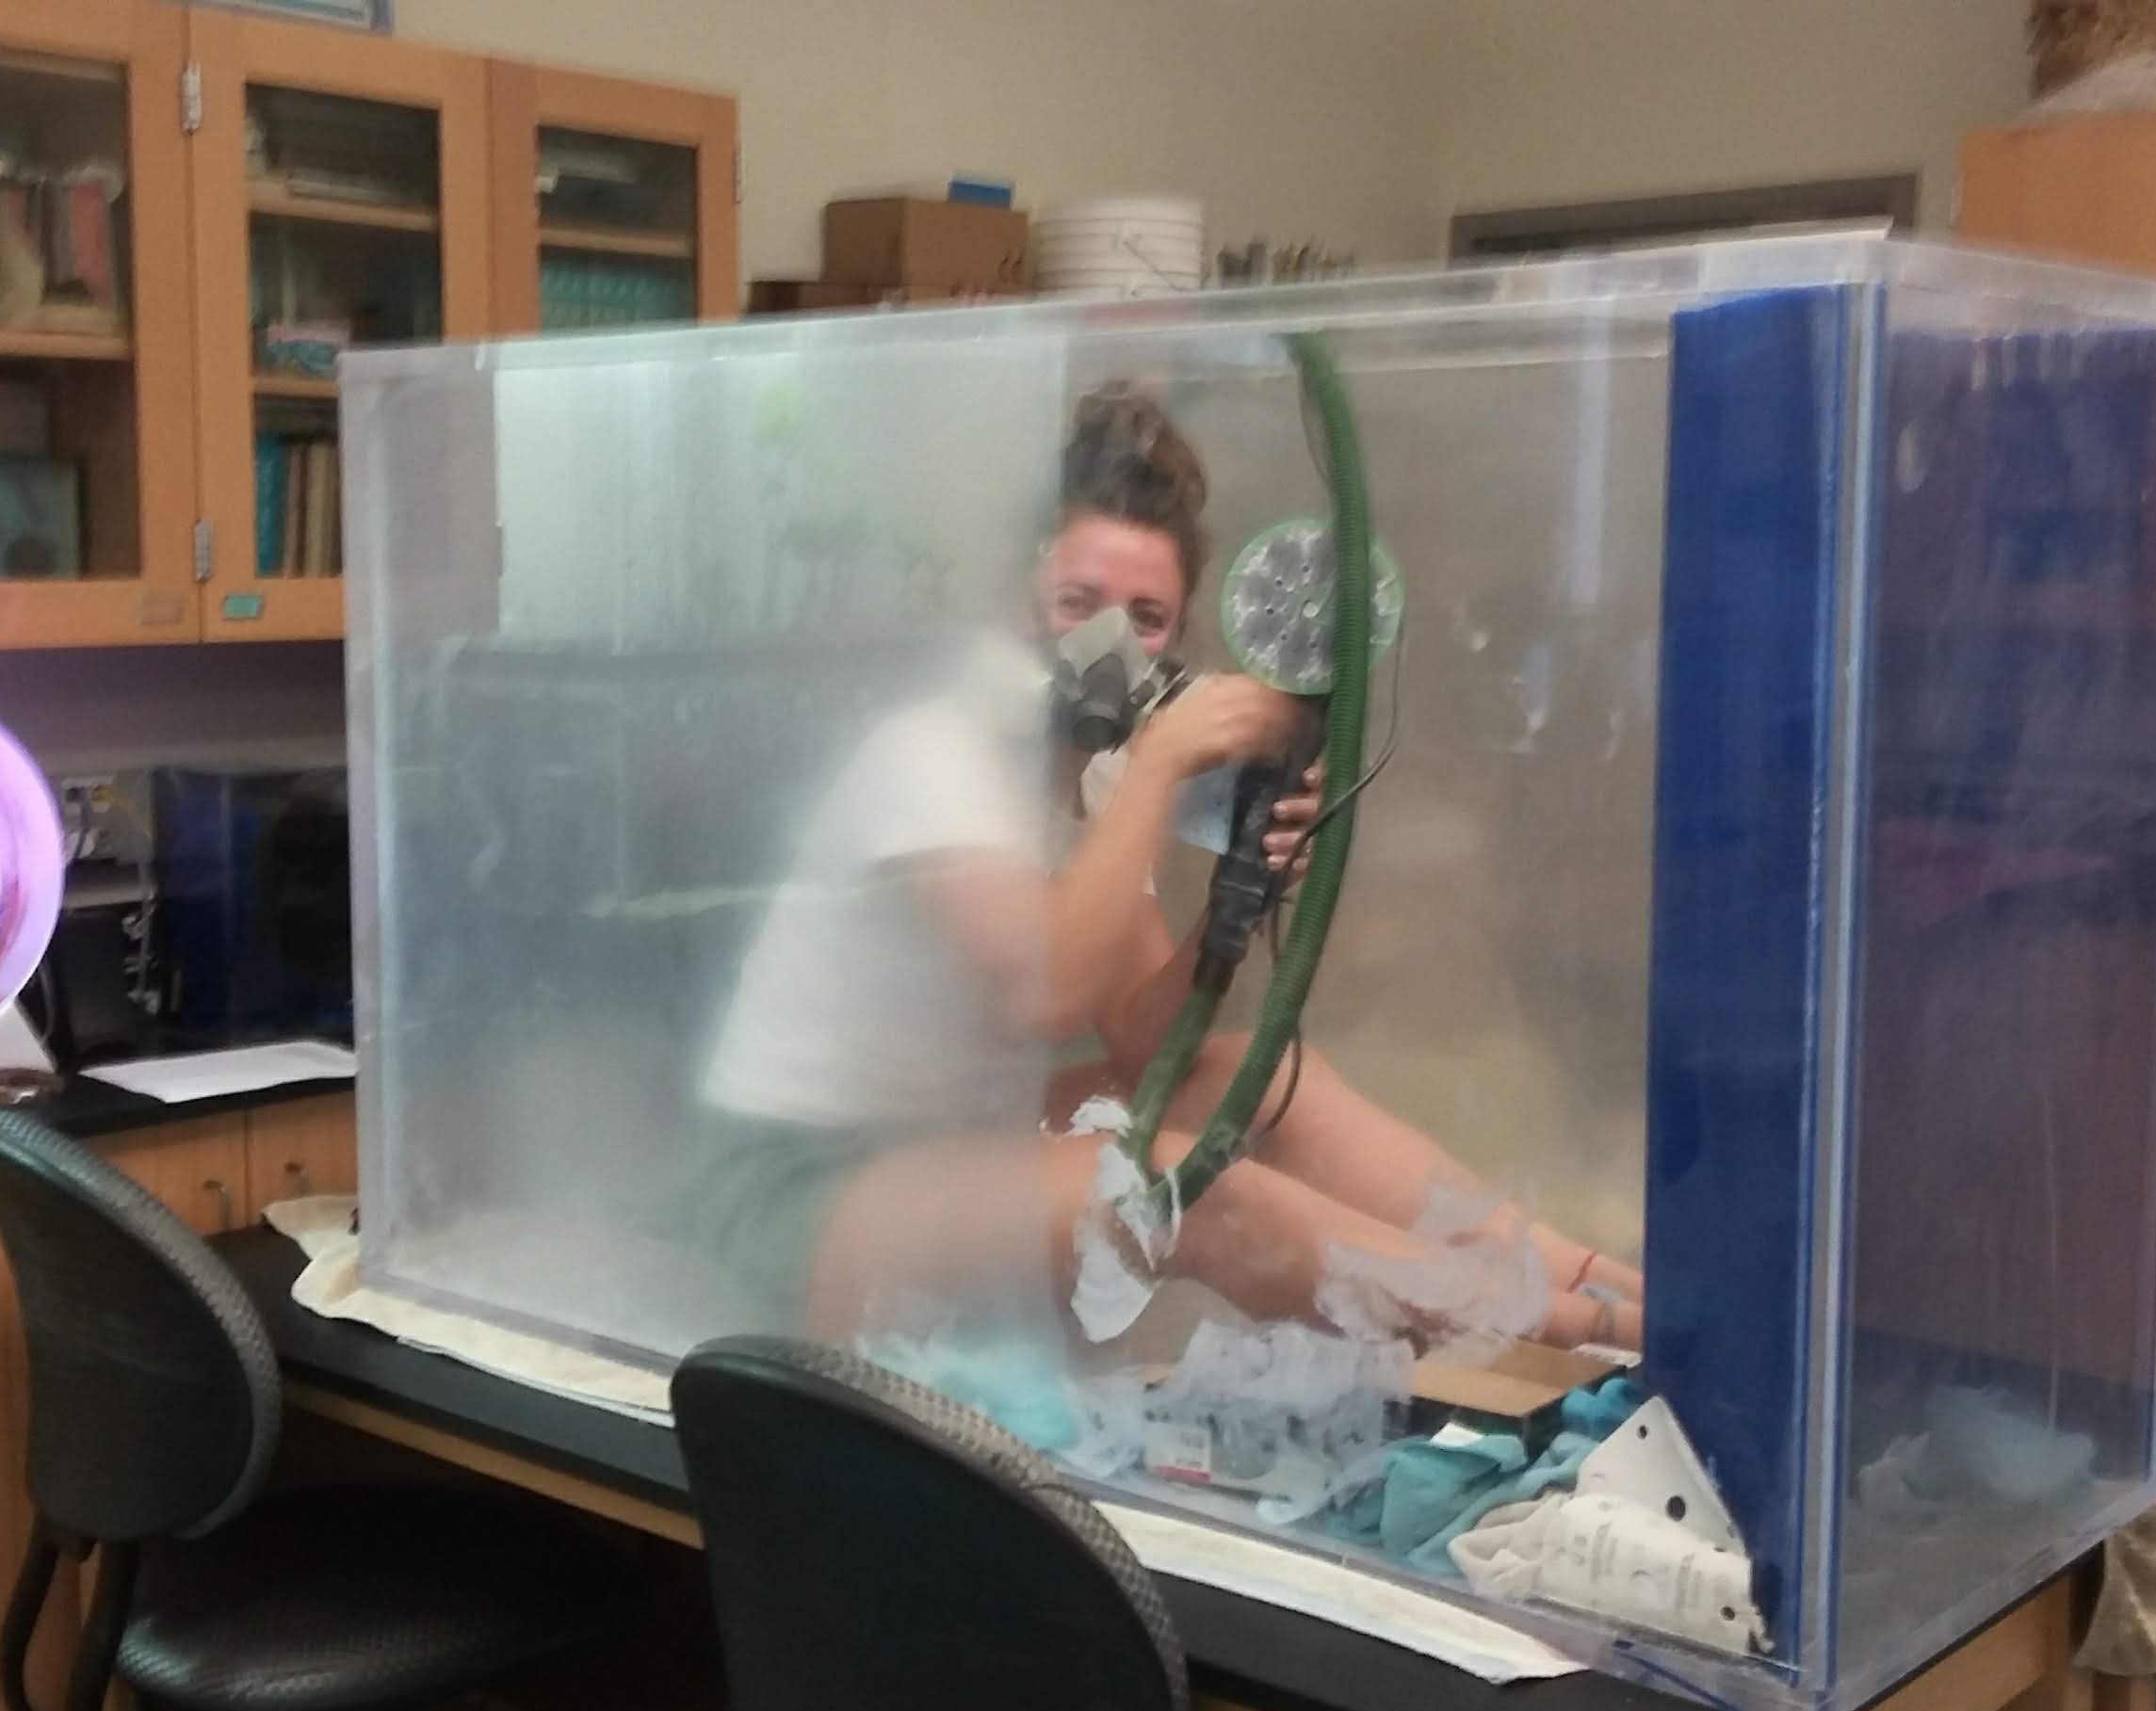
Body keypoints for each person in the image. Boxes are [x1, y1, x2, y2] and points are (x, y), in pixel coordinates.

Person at [692, 384, 1642, 1355]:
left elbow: (1153, 1042)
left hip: (952, 1140)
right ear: (1018, 604)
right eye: (1077, 603)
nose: (1106, 641)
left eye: (1145, 617)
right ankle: (1579, 1339)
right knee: (1192, 1193)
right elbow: (1048, 993)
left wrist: (1245, 873)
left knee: (1252, 1075)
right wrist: (1160, 764)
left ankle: (1616, 1287)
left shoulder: (1094, 781)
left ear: (1176, 639)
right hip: (802, 1187)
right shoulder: (934, 754)